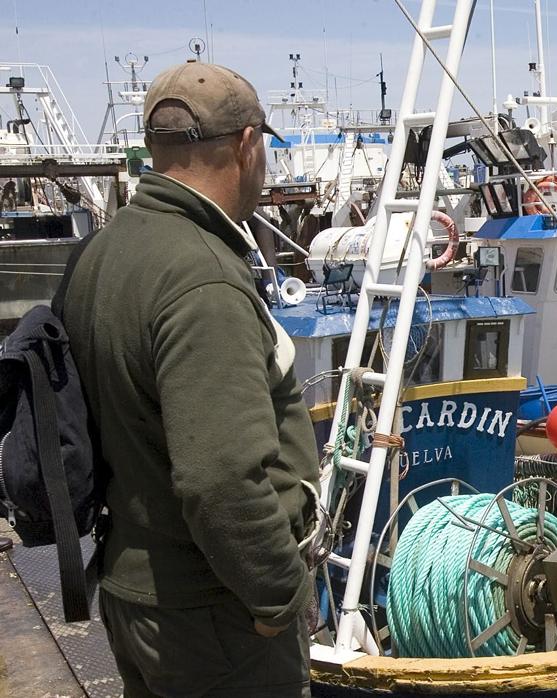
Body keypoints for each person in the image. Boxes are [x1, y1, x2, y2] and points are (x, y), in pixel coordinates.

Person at [61, 62, 319, 697]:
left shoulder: (103, 250)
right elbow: (220, 480)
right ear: (247, 145)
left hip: (139, 592)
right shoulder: (204, 278)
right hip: (214, 617)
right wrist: (281, 595)